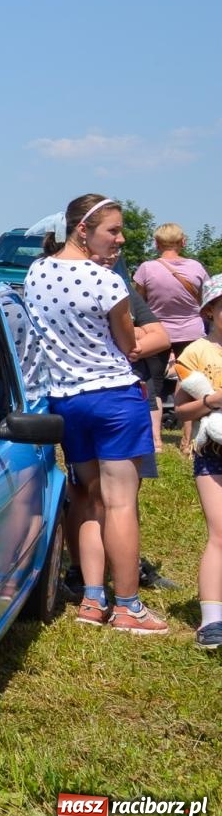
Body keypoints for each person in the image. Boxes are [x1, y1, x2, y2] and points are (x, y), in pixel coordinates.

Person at [23, 194, 165, 633]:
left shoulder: (36, 271)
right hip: (114, 399)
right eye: (113, 230)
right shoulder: (107, 281)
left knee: (87, 497)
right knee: (120, 503)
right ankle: (128, 607)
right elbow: (129, 344)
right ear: (83, 230)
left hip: (66, 401)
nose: (120, 239)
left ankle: (91, 599)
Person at [170, 275, 222, 649]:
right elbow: (180, 409)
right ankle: (211, 621)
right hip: (213, 455)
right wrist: (210, 401)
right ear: (210, 312)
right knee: (220, 535)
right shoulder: (196, 353)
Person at [133, 222, 208, 456]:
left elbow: (138, 303)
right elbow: (206, 300)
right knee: (191, 383)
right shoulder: (196, 268)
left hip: (157, 332)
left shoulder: (146, 269)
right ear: (183, 242)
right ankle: (187, 440)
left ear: (156, 243)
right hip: (192, 332)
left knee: (153, 383)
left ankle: (155, 440)